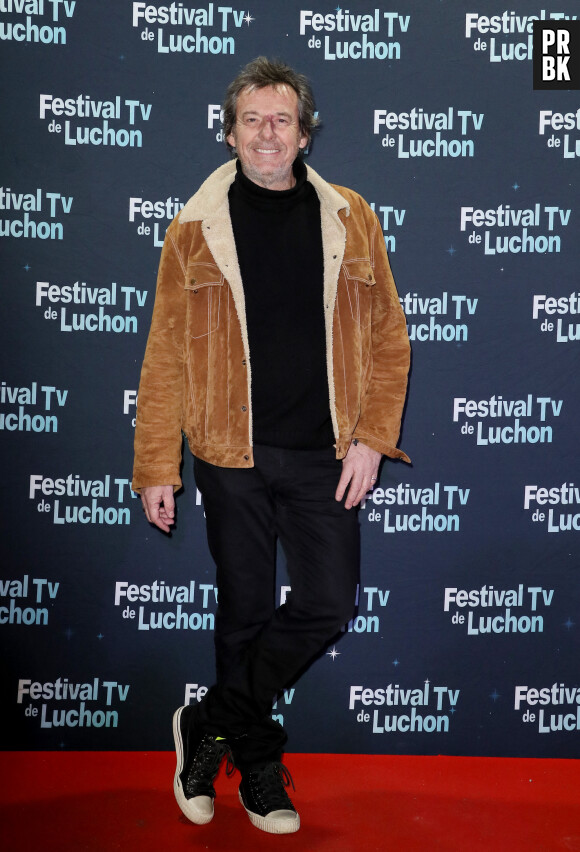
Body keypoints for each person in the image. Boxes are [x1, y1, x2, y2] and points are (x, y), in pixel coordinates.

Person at [132, 56, 410, 835]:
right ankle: (255, 767)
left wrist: (371, 440)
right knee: (245, 611)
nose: (267, 132)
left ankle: (207, 723)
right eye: (252, 119)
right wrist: (158, 463)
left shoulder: (353, 216)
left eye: (281, 118)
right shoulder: (193, 230)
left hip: (326, 454)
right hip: (231, 456)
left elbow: (389, 338)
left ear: (304, 133)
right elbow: (164, 354)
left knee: (328, 602)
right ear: (230, 133)